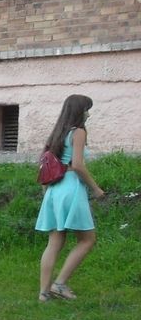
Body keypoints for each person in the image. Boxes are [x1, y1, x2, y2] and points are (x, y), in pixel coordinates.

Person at [36, 94, 105, 302]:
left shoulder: (58, 132)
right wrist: (96, 189)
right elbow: (77, 165)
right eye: (86, 109)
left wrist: (46, 193)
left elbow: (45, 164)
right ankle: (59, 284)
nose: (88, 113)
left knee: (54, 241)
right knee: (87, 239)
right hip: (71, 187)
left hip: (54, 190)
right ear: (79, 111)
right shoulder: (78, 132)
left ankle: (43, 293)